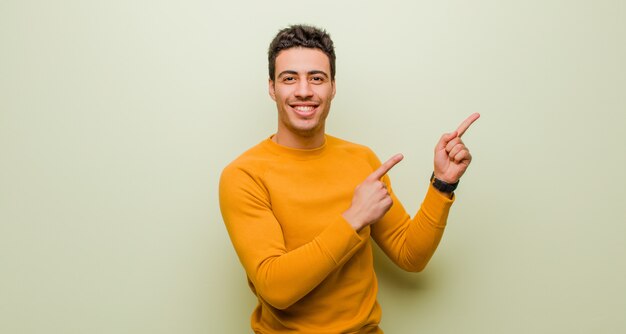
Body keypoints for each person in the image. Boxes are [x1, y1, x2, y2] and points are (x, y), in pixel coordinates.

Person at [219, 24, 479, 333]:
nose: (304, 90)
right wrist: (353, 218)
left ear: (333, 87)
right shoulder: (243, 174)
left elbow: (411, 255)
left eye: (317, 78)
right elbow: (276, 288)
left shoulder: (361, 160)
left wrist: (442, 184)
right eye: (290, 78)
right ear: (272, 88)